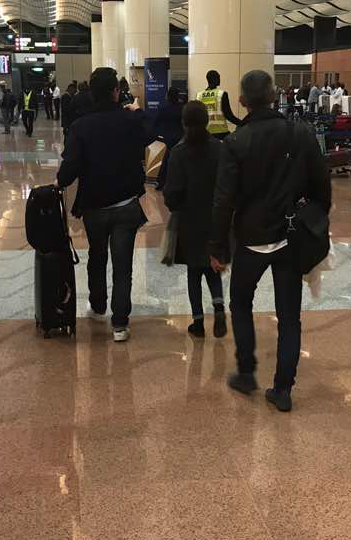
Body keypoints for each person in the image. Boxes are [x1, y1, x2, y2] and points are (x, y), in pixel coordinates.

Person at [209, 69, 331, 413]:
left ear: (242, 101)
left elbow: (223, 201)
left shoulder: (235, 142)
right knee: (289, 316)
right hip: (291, 238)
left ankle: (247, 372)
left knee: (240, 302)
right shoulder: (301, 133)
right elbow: (322, 189)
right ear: (275, 95)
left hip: (250, 238)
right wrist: (311, 222)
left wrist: (218, 248)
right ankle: (283, 389)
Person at [56, 67, 154, 343]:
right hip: (126, 205)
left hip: (94, 207)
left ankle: (98, 305)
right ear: (116, 91)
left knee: (97, 257)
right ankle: (120, 324)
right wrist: (137, 111)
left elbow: (70, 168)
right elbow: (151, 133)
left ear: (91, 93)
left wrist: (59, 182)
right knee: (123, 267)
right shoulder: (129, 120)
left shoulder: (81, 126)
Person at [163, 101, 227, 339]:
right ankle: (219, 307)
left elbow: (172, 191)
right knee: (213, 267)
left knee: (193, 272)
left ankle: (198, 322)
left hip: (188, 219)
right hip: (214, 217)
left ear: (184, 123)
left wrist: (174, 206)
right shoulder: (220, 149)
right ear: (207, 121)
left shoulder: (178, 152)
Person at [152, 86, 185, 188]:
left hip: (168, 137)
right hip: (181, 137)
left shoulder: (163, 108)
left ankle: (161, 181)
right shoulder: (182, 108)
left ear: (168, 96)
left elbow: (156, 123)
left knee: (167, 159)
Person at [198, 70, 242, 140]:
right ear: (214, 79)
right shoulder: (222, 94)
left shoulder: (199, 95)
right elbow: (229, 115)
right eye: (218, 77)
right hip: (221, 133)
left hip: (205, 134)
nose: (219, 79)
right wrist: (242, 123)